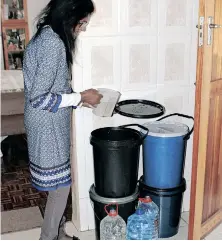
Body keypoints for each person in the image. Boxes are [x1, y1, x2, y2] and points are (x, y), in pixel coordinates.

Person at [22, 0, 102, 239]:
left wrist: (78, 99)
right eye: (82, 22)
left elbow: (46, 89)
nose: (83, 28)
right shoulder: (53, 43)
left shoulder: (45, 35)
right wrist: (79, 96)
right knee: (61, 187)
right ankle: (49, 237)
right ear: (69, 16)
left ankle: (55, 232)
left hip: (46, 123)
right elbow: (39, 97)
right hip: (47, 125)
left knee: (57, 183)